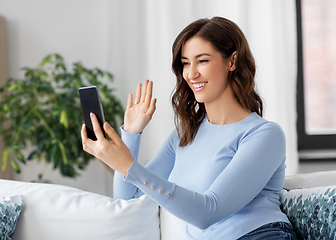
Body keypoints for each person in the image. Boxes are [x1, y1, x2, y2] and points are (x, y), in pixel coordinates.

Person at [81, 16, 298, 240]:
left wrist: (128, 165)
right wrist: (132, 134)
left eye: (202, 61)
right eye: (185, 63)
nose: (191, 74)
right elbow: (129, 199)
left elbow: (208, 211)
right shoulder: (184, 136)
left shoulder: (264, 135)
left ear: (232, 61)